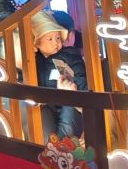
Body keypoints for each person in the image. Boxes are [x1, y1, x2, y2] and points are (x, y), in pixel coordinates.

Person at [30, 8, 87, 138]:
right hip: (47, 107)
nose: (56, 42)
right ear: (37, 43)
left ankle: (62, 151)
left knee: (66, 137)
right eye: (49, 39)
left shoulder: (70, 56)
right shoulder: (32, 61)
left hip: (71, 105)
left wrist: (72, 91)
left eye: (58, 38)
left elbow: (82, 80)